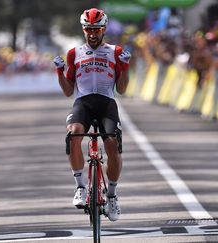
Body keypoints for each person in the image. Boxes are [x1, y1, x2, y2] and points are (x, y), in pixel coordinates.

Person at [53, 8, 131, 222]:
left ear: (104, 29)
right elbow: (69, 91)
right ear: (83, 29)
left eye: (96, 29)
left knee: (113, 144)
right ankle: (80, 187)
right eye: (88, 29)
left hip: (106, 103)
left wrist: (125, 68)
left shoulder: (115, 51)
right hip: (84, 103)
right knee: (74, 134)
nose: (92, 33)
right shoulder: (74, 53)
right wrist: (60, 73)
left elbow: (122, 89)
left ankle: (112, 195)